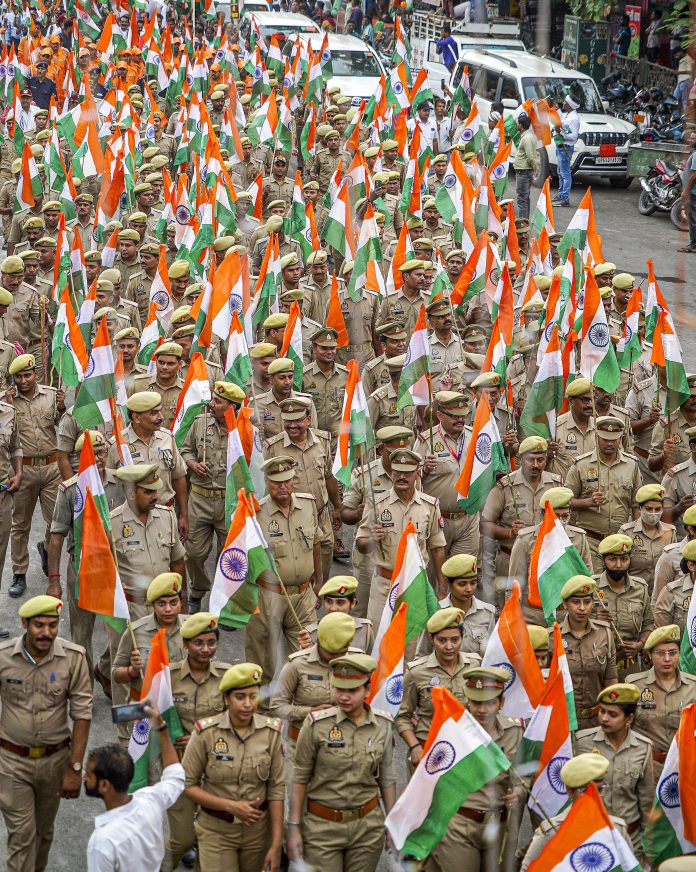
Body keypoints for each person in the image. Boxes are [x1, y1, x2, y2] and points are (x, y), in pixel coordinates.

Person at [0, 595, 92, 872]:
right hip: (12, 763)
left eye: (53, 625)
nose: (46, 632)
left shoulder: (73, 658)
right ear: (24, 624)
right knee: (22, 837)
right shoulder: (3, 657)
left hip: (55, 762)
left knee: (43, 834)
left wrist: (75, 768)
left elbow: (82, 714)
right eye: (39, 625)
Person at [287, 653, 397, 872]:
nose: (344, 697)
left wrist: (393, 825)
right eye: (339, 689)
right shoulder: (316, 725)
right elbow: (299, 777)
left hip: (367, 828)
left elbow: (387, 777)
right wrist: (294, 827)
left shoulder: (383, 725)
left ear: (367, 690)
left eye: (352, 690)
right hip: (322, 828)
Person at [182, 663, 285, 872]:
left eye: (253, 696)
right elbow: (187, 784)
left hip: (257, 832)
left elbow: (276, 790)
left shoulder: (271, 733)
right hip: (216, 830)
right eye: (240, 697)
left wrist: (276, 844)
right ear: (226, 699)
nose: (247, 704)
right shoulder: (206, 733)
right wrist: (230, 806)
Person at [426, 666, 524, 871]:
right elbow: (431, 778)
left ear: (501, 702)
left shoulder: (514, 731)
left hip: (499, 826)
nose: (481, 710)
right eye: (476, 702)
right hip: (459, 825)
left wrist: (519, 791)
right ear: (468, 701)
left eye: (489, 702)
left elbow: (524, 774)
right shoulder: (451, 731)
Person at [246, 456, 323, 685]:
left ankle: (298, 705)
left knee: (306, 661)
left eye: (286, 481)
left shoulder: (308, 505)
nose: (282, 486)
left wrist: (319, 582)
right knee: (261, 665)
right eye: (276, 482)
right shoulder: (256, 513)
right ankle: (260, 707)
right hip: (268, 596)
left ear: (293, 481)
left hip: (303, 596)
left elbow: (316, 544)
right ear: (267, 482)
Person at [164, 613, 230, 872]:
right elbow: (153, 718)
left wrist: (200, 735)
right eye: (198, 643)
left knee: (210, 841)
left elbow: (237, 721)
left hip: (216, 768)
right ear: (185, 644)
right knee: (182, 839)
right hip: (179, 768)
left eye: (211, 642)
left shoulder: (227, 677)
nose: (205, 649)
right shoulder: (168, 677)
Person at [85, 705, 185, 872]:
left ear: (104, 785)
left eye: (89, 774)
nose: (84, 778)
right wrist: (161, 727)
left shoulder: (102, 842)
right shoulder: (150, 800)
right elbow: (175, 777)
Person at [575, 683, 654, 855]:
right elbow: (573, 794)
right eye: (602, 711)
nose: (604, 718)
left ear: (629, 719)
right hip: (593, 840)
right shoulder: (583, 743)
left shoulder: (642, 747)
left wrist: (648, 847)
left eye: (612, 714)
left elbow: (646, 802)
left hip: (631, 841)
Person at [398, 608, 482, 767]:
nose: (449, 646)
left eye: (455, 640)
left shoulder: (475, 666)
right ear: (431, 639)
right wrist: (415, 747)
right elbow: (403, 716)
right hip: (428, 749)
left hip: (466, 747)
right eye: (442, 640)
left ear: (462, 637)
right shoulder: (416, 672)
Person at [521, 754, 631, 869]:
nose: (595, 796)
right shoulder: (551, 833)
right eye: (585, 790)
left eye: (599, 789)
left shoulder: (616, 830)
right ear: (570, 792)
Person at [627, 625, 696, 777]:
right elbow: (625, 729)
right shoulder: (634, 685)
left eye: (672, 653)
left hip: (684, 767)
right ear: (650, 654)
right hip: (646, 767)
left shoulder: (693, 687)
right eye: (660, 653)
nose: (667, 659)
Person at [593, 534, 655, 678]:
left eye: (624, 559)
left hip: (628, 666)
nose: (619, 565)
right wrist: (594, 621)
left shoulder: (640, 588)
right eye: (612, 559)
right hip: (597, 664)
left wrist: (640, 644)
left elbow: (648, 624)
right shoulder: (592, 587)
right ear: (603, 560)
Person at [560, 576, 618, 728]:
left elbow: (611, 680)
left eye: (587, 602)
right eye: (575, 602)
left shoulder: (604, 634)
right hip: (563, 722)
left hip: (597, 721)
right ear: (565, 604)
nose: (582, 608)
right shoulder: (553, 638)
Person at [416, 555, 495, 658]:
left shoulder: (487, 613)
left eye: (473, 583)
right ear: (448, 582)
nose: (469, 589)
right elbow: (422, 655)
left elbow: (492, 656)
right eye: (462, 584)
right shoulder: (435, 612)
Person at [298, 576, 374, 652]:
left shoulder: (365, 630)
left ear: (353, 603)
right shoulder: (311, 634)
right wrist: (305, 651)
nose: (333, 608)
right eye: (329, 601)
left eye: (340, 602)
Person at [552, 94, 580, 207]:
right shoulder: (569, 115)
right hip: (560, 147)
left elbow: (573, 136)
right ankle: (561, 195)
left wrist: (560, 132)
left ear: (570, 105)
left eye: (565, 102)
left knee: (565, 173)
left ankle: (564, 198)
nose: (563, 103)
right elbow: (562, 124)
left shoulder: (574, 119)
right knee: (560, 172)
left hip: (565, 148)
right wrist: (557, 111)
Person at [513, 114, 539, 220]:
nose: (517, 125)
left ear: (521, 125)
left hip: (523, 172)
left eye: (518, 124)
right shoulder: (530, 136)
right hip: (524, 171)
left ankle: (522, 223)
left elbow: (530, 156)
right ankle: (525, 221)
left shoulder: (526, 138)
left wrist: (534, 166)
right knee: (525, 198)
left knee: (521, 199)